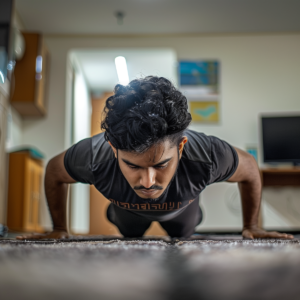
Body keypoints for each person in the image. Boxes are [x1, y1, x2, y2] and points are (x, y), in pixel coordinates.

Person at [17, 76, 293, 240]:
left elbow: (249, 170)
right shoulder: (93, 155)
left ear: (181, 147)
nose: (148, 181)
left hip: (183, 210)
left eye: (161, 164)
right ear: (113, 148)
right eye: (132, 165)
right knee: (130, 237)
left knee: (183, 238)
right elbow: (54, 170)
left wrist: (251, 226)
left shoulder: (207, 154)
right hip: (125, 210)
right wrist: (60, 228)